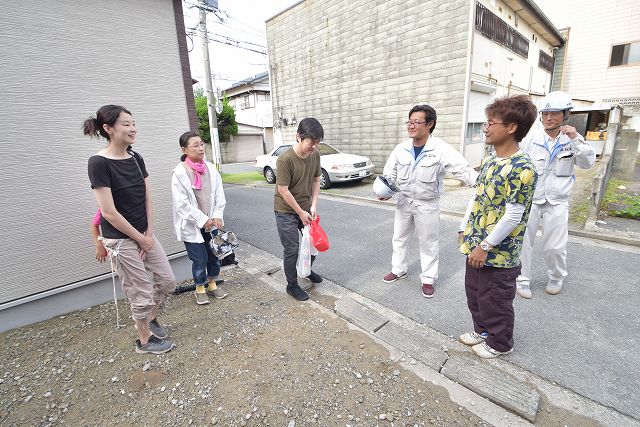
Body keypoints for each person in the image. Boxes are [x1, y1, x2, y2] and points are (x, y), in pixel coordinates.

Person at [85, 104, 176, 354]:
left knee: (167, 281)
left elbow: (147, 197)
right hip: (120, 240)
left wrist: (148, 235)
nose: (133, 128)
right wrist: (139, 239)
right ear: (108, 128)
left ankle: (151, 318)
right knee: (140, 291)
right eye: (126, 124)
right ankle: (144, 340)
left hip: (144, 234)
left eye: (133, 123)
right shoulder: (98, 163)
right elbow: (108, 213)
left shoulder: (136, 158)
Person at [458, 95, 538, 358]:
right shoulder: (492, 161)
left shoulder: (522, 167)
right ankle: (482, 331)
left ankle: (500, 342)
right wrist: (464, 227)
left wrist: (485, 245)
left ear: (512, 127)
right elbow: (477, 197)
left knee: (496, 299)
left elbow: (513, 215)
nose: (485, 128)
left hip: (498, 253)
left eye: (492, 122)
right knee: (476, 294)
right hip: (476, 245)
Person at [380, 105, 478, 298]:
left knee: (429, 242)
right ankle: (399, 269)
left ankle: (428, 279)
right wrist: (386, 191)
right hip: (404, 201)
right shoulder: (401, 149)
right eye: (409, 122)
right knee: (399, 237)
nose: (411, 126)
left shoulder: (440, 149)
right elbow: (389, 174)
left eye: (417, 122)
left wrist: (482, 183)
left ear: (430, 124)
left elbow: (462, 169)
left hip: (427, 204)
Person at [516, 91, 596, 298]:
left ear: (566, 115)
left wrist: (576, 139)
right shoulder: (530, 140)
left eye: (555, 113)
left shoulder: (572, 140)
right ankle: (522, 279)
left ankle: (556, 277)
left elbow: (587, 163)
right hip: (531, 200)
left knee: (555, 247)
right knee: (523, 242)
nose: (549, 118)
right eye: (545, 114)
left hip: (558, 201)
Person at [171, 131, 227, 305]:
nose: (201, 148)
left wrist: (217, 215)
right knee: (199, 258)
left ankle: (212, 284)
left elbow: (219, 194)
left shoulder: (210, 168)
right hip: (193, 224)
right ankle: (200, 288)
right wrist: (203, 220)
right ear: (184, 149)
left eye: (202, 144)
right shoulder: (179, 173)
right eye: (195, 145)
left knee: (214, 255)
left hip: (212, 224)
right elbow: (182, 204)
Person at [274, 118, 324, 301]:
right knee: (292, 249)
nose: (314, 147)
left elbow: (316, 180)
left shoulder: (315, 154)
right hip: (285, 209)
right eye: (311, 142)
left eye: (317, 143)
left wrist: (313, 205)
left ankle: (306, 270)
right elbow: (283, 190)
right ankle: (292, 285)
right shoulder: (285, 160)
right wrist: (300, 212)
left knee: (313, 244)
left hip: (305, 207)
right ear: (299, 137)